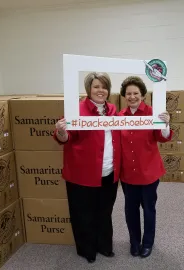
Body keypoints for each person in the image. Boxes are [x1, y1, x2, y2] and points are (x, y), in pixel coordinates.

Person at [53, 72, 121, 263]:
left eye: (104, 87)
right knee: (83, 213)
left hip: (108, 171)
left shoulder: (113, 110)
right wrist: (61, 131)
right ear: (89, 89)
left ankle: (105, 246)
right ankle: (87, 250)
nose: (101, 90)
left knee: (105, 211)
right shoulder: (76, 109)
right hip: (82, 174)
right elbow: (66, 138)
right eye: (96, 87)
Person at [119, 76, 173, 258]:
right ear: (124, 96)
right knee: (130, 210)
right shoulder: (119, 117)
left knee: (149, 209)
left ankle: (148, 243)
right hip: (128, 174)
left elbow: (163, 137)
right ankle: (134, 242)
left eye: (136, 93)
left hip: (149, 173)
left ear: (142, 95)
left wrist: (165, 123)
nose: (132, 96)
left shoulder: (153, 113)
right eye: (128, 94)